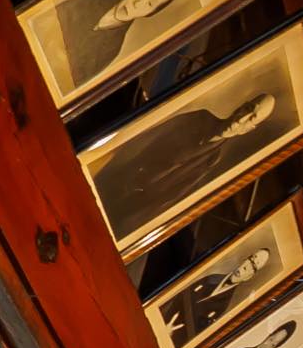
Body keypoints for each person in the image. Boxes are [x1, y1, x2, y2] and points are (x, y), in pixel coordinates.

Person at [91, 86, 284, 242]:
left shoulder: (213, 159)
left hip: (127, 208)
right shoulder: (198, 118)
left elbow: (169, 198)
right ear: (240, 105)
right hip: (111, 178)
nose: (241, 119)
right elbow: (140, 142)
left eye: (251, 117)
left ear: (249, 129)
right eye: (247, 109)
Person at [53, 0, 185, 91]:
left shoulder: (113, 48)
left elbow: (68, 87)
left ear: (151, 13)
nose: (138, 3)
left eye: (150, 4)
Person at [160, 242, 276, 348]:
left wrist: (170, 336)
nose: (246, 266)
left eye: (254, 266)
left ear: (249, 276)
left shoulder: (225, 304)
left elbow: (195, 334)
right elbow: (177, 297)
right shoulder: (213, 278)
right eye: (251, 259)